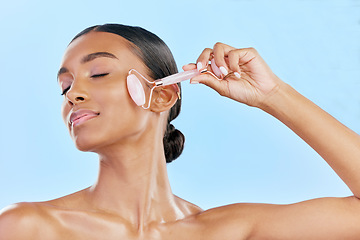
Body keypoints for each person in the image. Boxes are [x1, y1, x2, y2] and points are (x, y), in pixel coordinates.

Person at [1, 23, 360, 239]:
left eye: (98, 73)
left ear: (162, 96)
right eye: (65, 87)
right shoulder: (27, 227)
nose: (73, 95)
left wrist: (273, 95)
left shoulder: (225, 230)